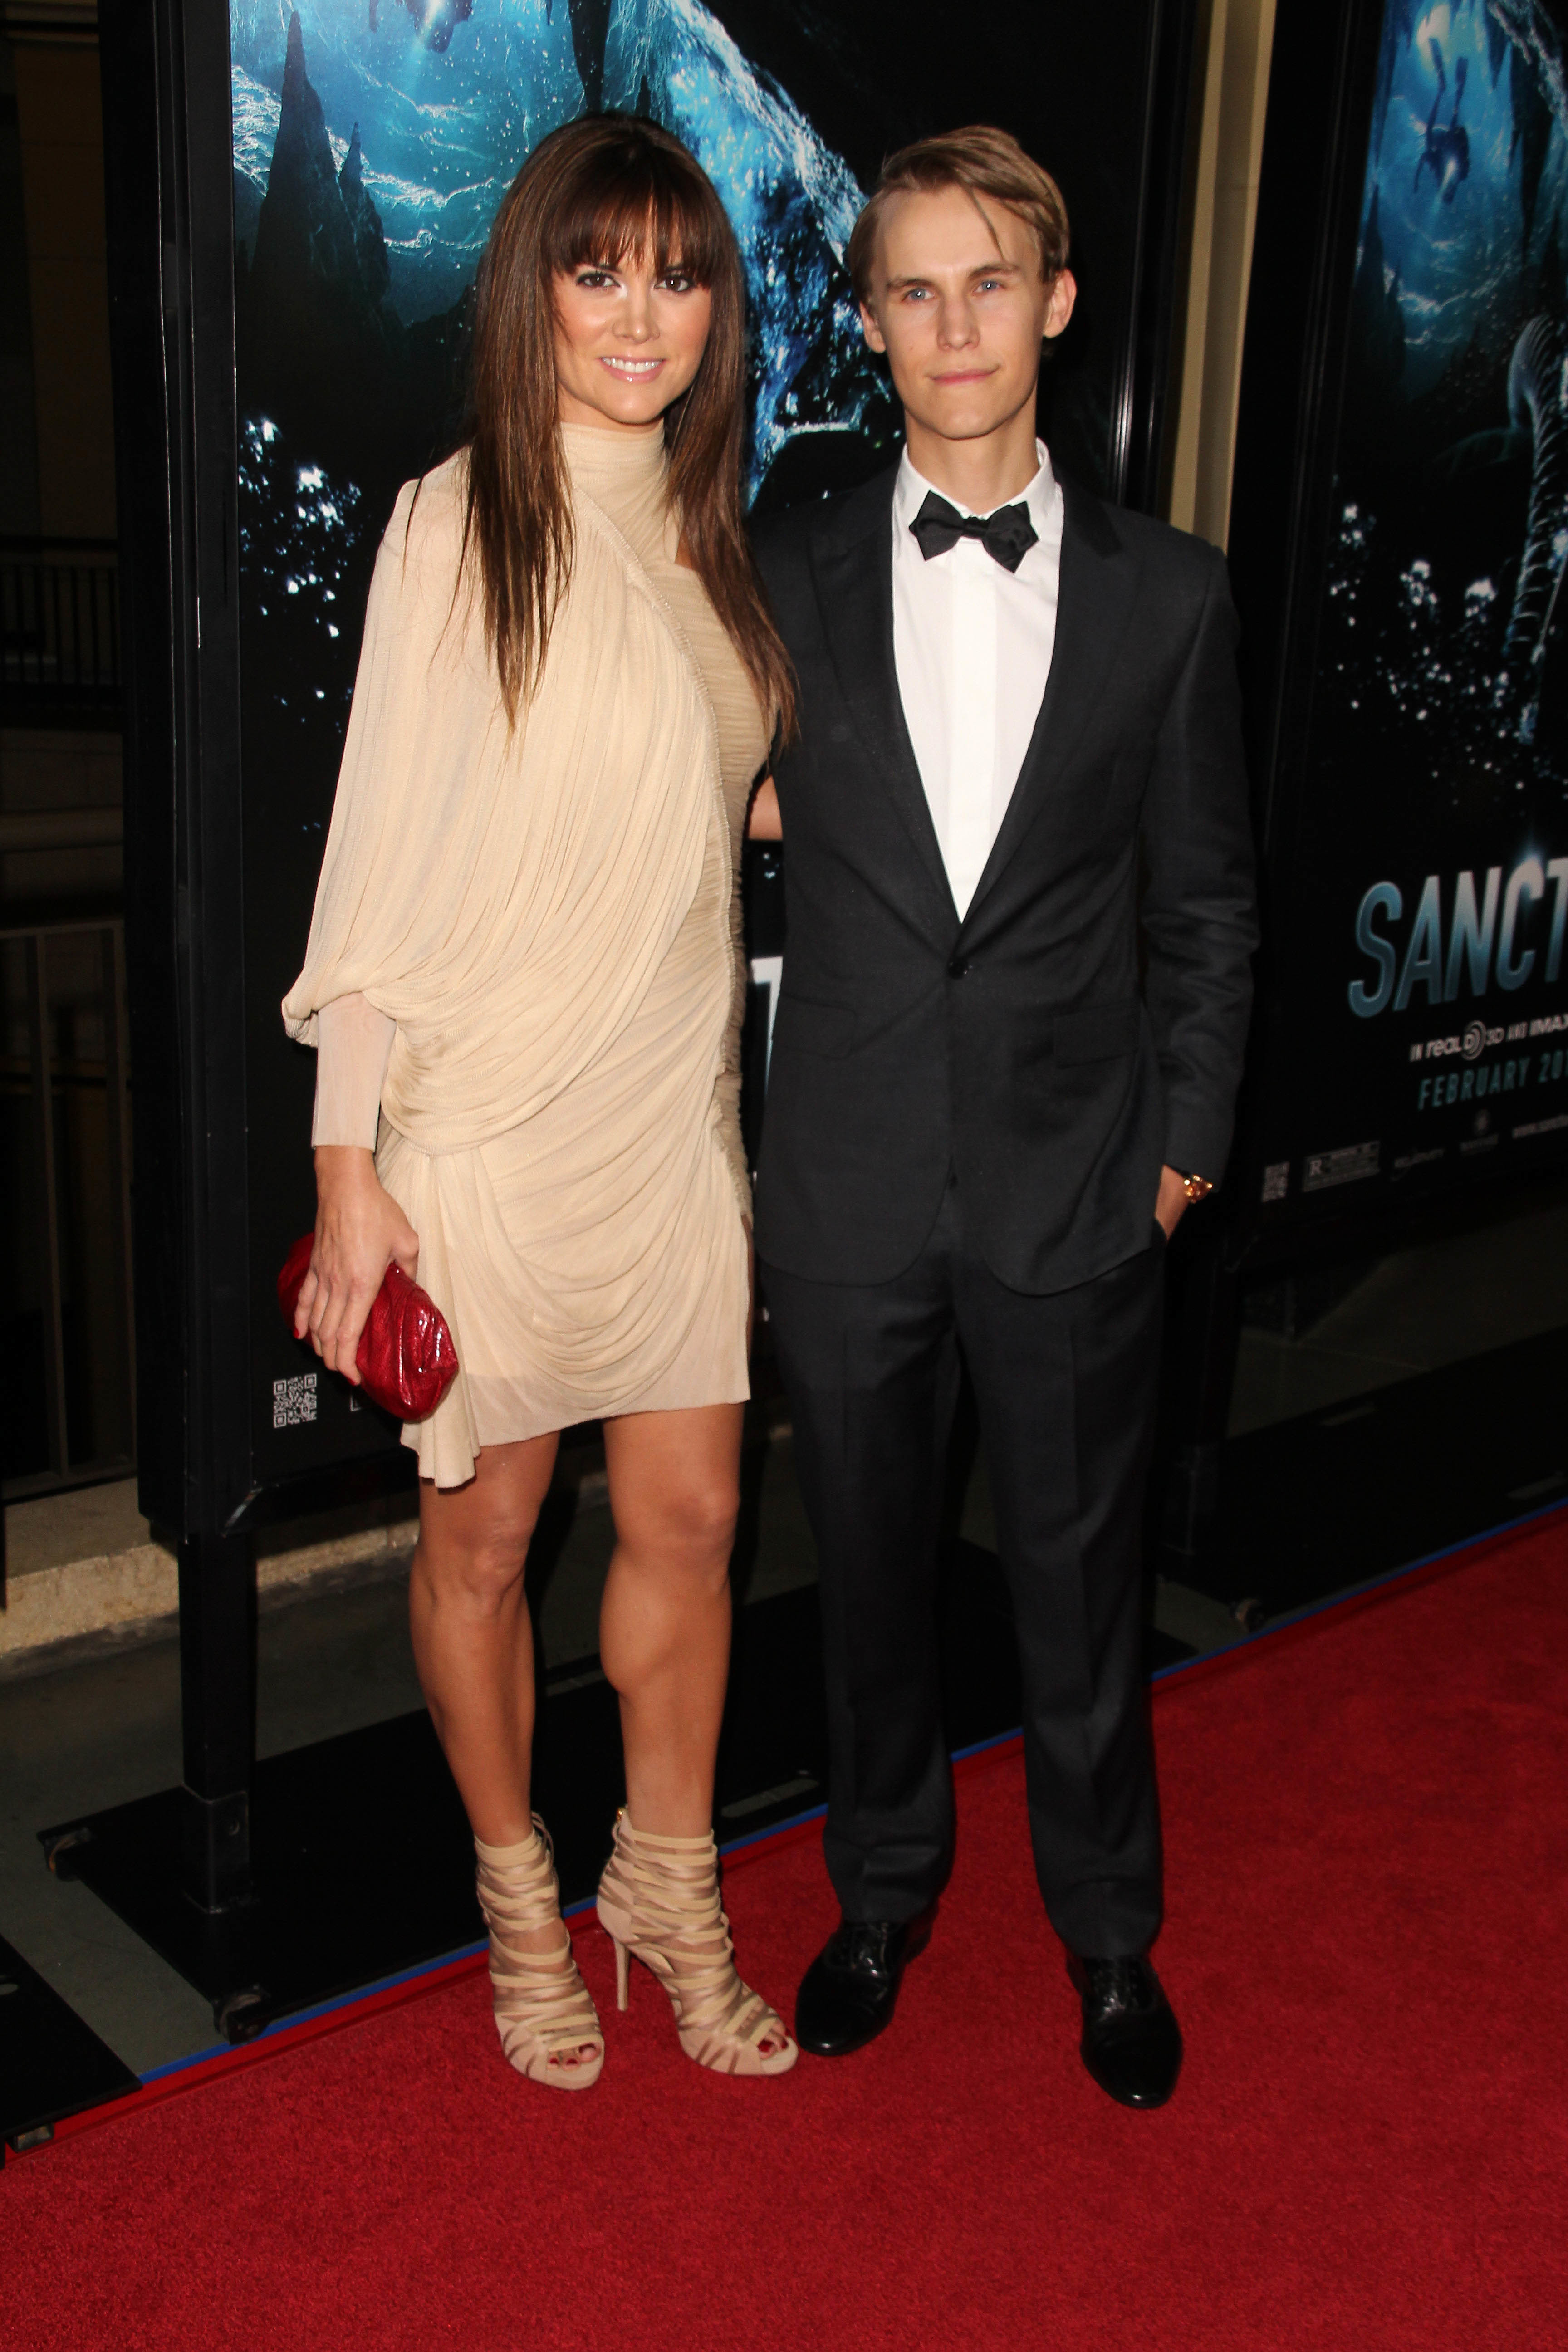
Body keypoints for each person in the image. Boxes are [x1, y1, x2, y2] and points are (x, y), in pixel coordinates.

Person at [282, 115, 798, 2090]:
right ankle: (518, 1900)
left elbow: (709, 797)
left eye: (678, 274)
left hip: (669, 1124)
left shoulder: (711, 537)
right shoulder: (459, 520)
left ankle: (667, 1887)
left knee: (695, 1516)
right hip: (489, 1133)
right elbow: (377, 857)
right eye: (599, 270)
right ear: (535, 290)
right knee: (489, 1547)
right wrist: (349, 1166)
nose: (640, 314)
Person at [748, 126, 1257, 2107]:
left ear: (1054, 303)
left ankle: (1110, 1934)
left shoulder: (1172, 598)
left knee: (1080, 1587)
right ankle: (880, 1896)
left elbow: (1208, 907)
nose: (952, 327)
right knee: (868, 1589)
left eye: (988, 283)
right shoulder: (782, 569)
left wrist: (1185, 1149)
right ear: (871, 323)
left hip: (1080, 1190)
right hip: (849, 1185)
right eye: (913, 289)